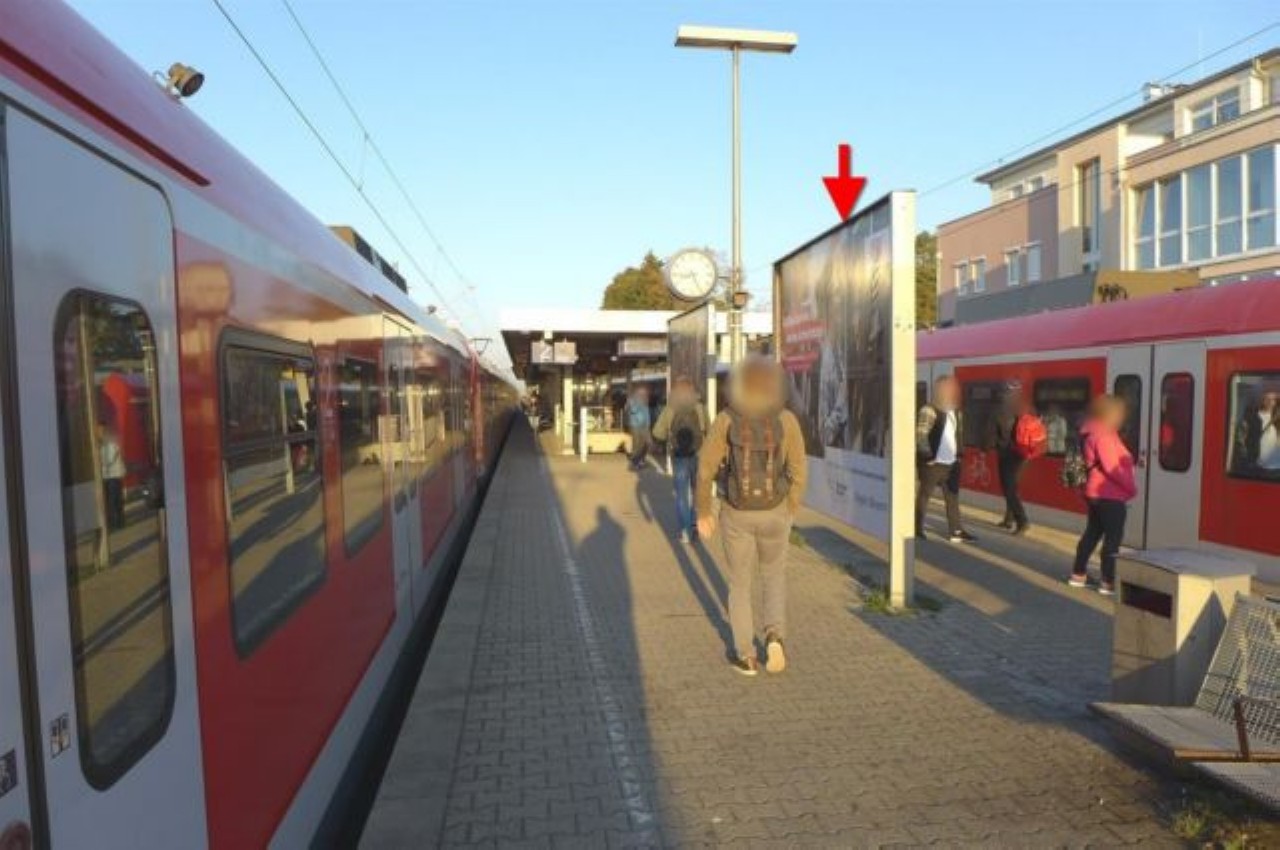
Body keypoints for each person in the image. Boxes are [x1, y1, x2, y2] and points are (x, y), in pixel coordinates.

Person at [696, 357, 807, 676]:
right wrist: (791, 507)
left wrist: (703, 512)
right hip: (775, 511)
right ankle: (774, 636)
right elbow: (798, 469)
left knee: (739, 584)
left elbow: (705, 469)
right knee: (773, 577)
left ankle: (745, 655)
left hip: (737, 513)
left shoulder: (726, 419)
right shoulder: (786, 419)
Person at [1069, 394, 1138, 596]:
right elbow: (1112, 467)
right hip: (1109, 494)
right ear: (1109, 414)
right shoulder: (1104, 435)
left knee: (1092, 533)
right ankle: (1108, 581)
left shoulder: (1091, 431)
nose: (1122, 417)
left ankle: (1078, 574)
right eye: (1119, 413)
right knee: (1112, 539)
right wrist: (1131, 488)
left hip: (1095, 493)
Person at [915, 375, 977, 543]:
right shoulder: (929, 410)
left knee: (952, 498)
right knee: (924, 496)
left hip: (951, 464)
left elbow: (958, 434)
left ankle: (956, 531)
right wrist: (927, 457)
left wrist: (959, 456)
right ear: (939, 390)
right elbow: (921, 435)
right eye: (948, 388)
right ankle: (917, 527)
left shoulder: (956, 411)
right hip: (933, 464)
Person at [651, 376, 708, 543]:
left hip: (679, 456)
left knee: (682, 494)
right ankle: (695, 524)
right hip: (699, 454)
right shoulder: (700, 407)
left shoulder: (671, 407)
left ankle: (685, 531)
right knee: (697, 492)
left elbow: (657, 432)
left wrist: (664, 439)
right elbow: (710, 430)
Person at [985, 382, 1030, 535]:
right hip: (1023, 455)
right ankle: (1008, 519)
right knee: (1012, 487)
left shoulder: (999, 410)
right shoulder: (1026, 408)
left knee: (1009, 489)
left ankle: (1022, 521)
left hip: (1007, 455)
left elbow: (990, 434)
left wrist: (985, 448)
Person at [1235, 388, 1280, 474]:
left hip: (1278, 466)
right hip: (1258, 465)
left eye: (1273, 399)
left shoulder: (1278, 417)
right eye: (1267, 399)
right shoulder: (1252, 416)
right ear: (1262, 400)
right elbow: (1241, 435)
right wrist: (1245, 453)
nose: (1270, 402)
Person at [100, 424, 126, 530]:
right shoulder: (103, 443)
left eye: (100, 430)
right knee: (113, 500)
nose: (98, 433)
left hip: (113, 476)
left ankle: (116, 523)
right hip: (108, 476)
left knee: (114, 501)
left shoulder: (110, 442)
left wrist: (98, 459)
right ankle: (118, 522)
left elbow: (108, 460)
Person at [624, 386, 651, 470]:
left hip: (645, 426)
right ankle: (634, 462)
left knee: (647, 443)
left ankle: (641, 460)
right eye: (642, 392)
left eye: (645, 392)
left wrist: (648, 424)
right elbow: (633, 410)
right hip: (636, 425)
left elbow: (646, 413)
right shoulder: (631, 400)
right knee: (637, 445)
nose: (645, 393)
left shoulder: (644, 400)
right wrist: (639, 402)